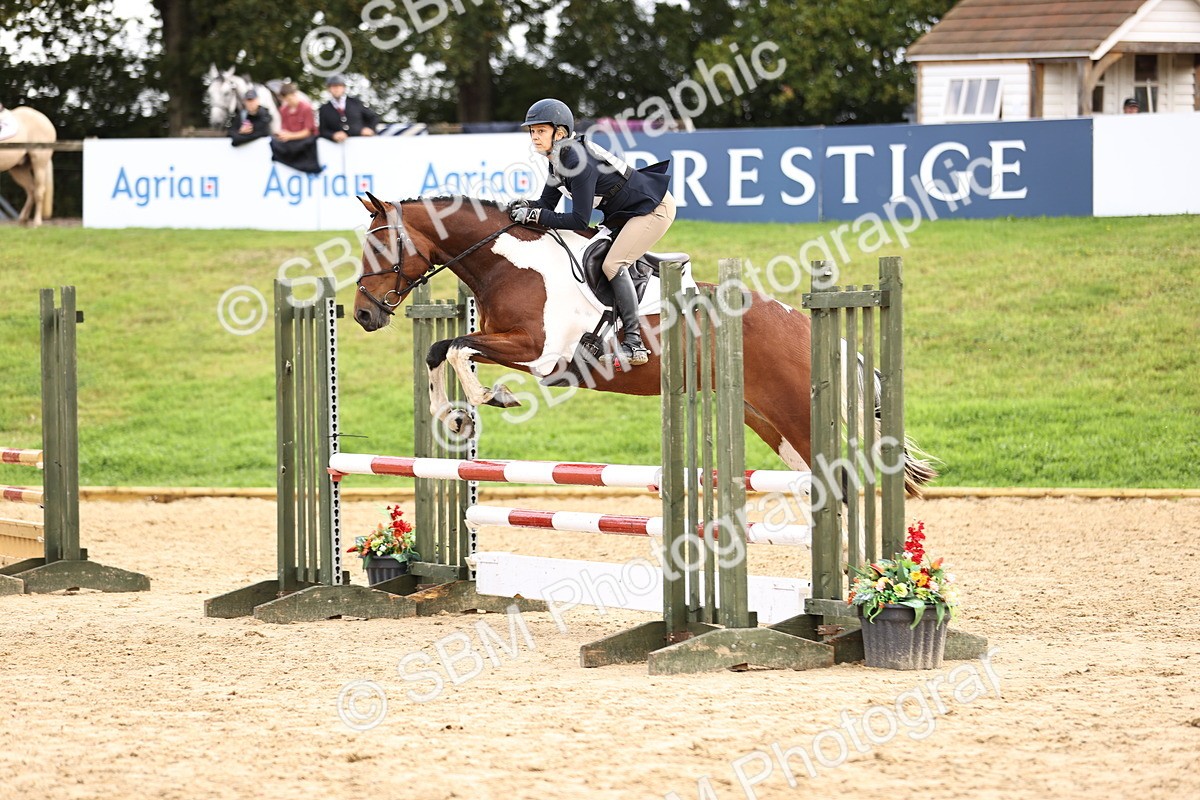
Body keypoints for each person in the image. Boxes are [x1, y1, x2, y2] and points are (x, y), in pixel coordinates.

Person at [508, 98, 674, 367]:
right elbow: (546, 205)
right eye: (532, 131)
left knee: (612, 264)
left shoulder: (577, 161)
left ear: (559, 133)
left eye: (540, 131)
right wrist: (525, 207)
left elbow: (578, 219)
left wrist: (535, 215)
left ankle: (634, 343)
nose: (534, 137)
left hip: (653, 209)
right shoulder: (557, 159)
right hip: (625, 213)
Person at [270, 83, 323, 174]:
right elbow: (285, 129)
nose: (288, 102)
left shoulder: (306, 108)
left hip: (306, 141)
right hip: (292, 142)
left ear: (295, 95)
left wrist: (290, 136)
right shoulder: (283, 110)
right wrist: (281, 134)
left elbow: (307, 132)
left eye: (290, 99)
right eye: (286, 100)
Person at [318, 75, 379, 142]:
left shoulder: (355, 102)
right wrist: (333, 135)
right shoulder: (324, 109)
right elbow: (323, 131)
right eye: (333, 86)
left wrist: (369, 129)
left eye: (339, 86)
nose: (336, 89)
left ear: (344, 88)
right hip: (338, 147)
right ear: (329, 89)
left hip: (361, 142)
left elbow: (373, 117)